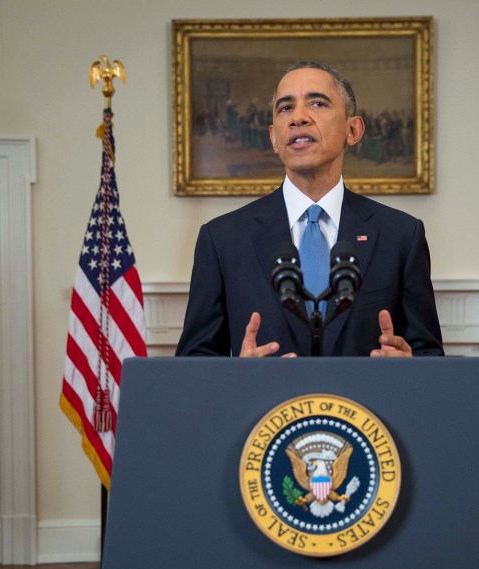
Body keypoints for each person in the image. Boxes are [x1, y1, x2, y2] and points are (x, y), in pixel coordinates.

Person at [176, 61, 443, 357]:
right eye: (285, 108)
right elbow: (194, 362)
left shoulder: (401, 236)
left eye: (317, 103)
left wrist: (408, 366)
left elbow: (429, 356)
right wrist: (239, 375)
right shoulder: (222, 239)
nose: (298, 118)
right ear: (274, 137)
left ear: (353, 130)